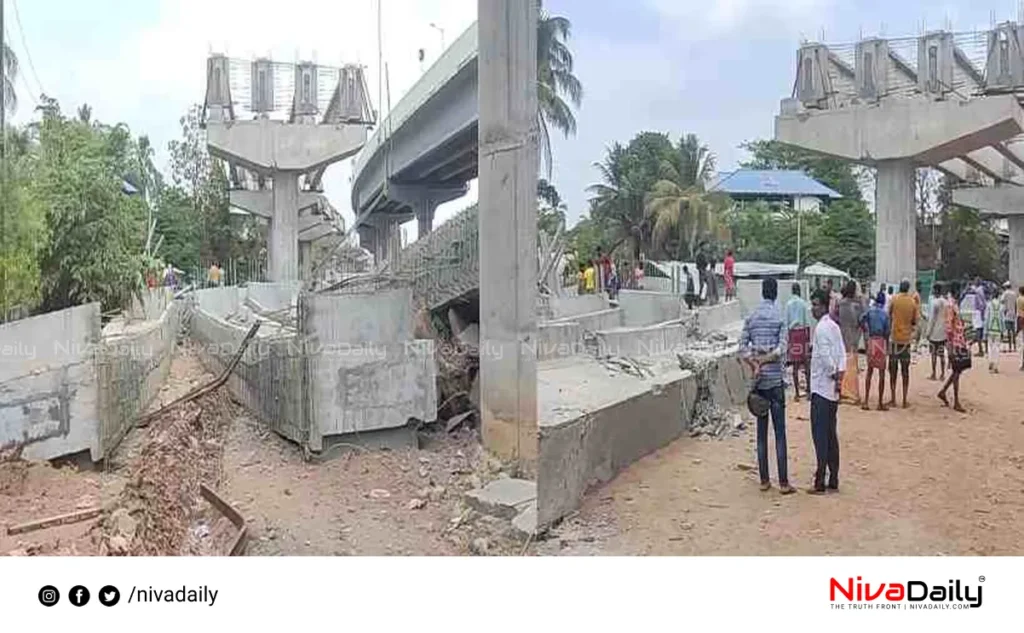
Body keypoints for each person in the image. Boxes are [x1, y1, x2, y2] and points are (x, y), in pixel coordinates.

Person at [739, 278, 794, 495]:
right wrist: (766, 359)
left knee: (761, 432)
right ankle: (783, 483)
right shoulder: (779, 317)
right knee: (780, 433)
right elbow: (782, 349)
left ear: (763, 293)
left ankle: (764, 480)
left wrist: (755, 362)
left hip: (759, 382)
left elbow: (742, 347)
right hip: (775, 381)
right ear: (775, 293)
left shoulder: (752, 317)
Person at [807, 288, 845, 494]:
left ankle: (820, 480)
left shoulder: (821, 329)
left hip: (821, 388)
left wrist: (832, 372)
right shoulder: (834, 327)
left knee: (820, 436)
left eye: (815, 304)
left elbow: (824, 356)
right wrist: (840, 375)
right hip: (832, 390)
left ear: (822, 306)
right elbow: (841, 354)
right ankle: (834, 477)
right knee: (831, 434)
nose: (812, 308)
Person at [939, 282, 970, 413]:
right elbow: (948, 327)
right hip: (955, 342)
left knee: (957, 370)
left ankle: (944, 391)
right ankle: (956, 401)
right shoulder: (951, 305)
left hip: (958, 341)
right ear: (956, 291)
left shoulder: (953, 304)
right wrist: (950, 346)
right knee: (957, 370)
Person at [886, 279, 917, 409]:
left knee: (893, 370)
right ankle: (904, 400)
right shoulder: (912, 302)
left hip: (894, 339)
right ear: (908, 288)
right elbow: (914, 322)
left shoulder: (894, 299)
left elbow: (888, 315)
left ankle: (893, 398)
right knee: (905, 371)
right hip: (906, 340)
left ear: (900, 287)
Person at [860, 290, 890, 411]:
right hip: (881, 342)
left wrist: (865, 330)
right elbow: (887, 331)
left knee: (869, 372)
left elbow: (861, 319)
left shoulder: (870, 311)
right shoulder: (885, 314)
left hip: (871, 341)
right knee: (881, 373)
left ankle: (866, 401)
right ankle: (880, 403)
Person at [836, 280, 863, 405]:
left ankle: (841, 392)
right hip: (853, 339)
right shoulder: (857, 305)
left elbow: (835, 318)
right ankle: (854, 394)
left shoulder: (840, 304)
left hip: (841, 338)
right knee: (853, 368)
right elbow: (861, 320)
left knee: (841, 366)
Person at [785, 283, 813, 402]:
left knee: (795, 365)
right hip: (802, 334)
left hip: (793, 334)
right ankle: (809, 391)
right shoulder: (803, 304)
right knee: (806, 364)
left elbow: (786, 323)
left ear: (792, 291)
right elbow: (808, 323)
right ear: (799, 291)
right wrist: (809, 339)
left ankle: (797, 393)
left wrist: (787, 340)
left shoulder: (788, 304)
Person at [927, 282, 948, 381]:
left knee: (934, 354)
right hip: (943, 332)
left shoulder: (935, 303)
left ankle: (934, 373)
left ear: (936, 290)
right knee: (942, 354)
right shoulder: (945, 302)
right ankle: (943, 374)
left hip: (935, 332)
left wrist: (928, 332)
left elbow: (932, 319)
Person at [986, 292, 1003, 373]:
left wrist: (985, 330)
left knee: (990, 346)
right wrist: (1003, 330)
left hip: (990, 328)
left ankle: (990, 361)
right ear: (998, 296)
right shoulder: (1001, 306)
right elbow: (1002, 319)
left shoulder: (989, 305)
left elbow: (986, 317)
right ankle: (995, 365)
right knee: (996, 347)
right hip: (998, 329)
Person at [1001, 281, 1017, 353]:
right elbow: (1015, 304)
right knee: (1013, 332)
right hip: (1013, 314)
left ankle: (1010, 347)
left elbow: (1002, 301)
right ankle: (1015, 347)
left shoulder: (1005, 293)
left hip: (1007, 314)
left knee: (1008, 331)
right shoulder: (1014, 294)